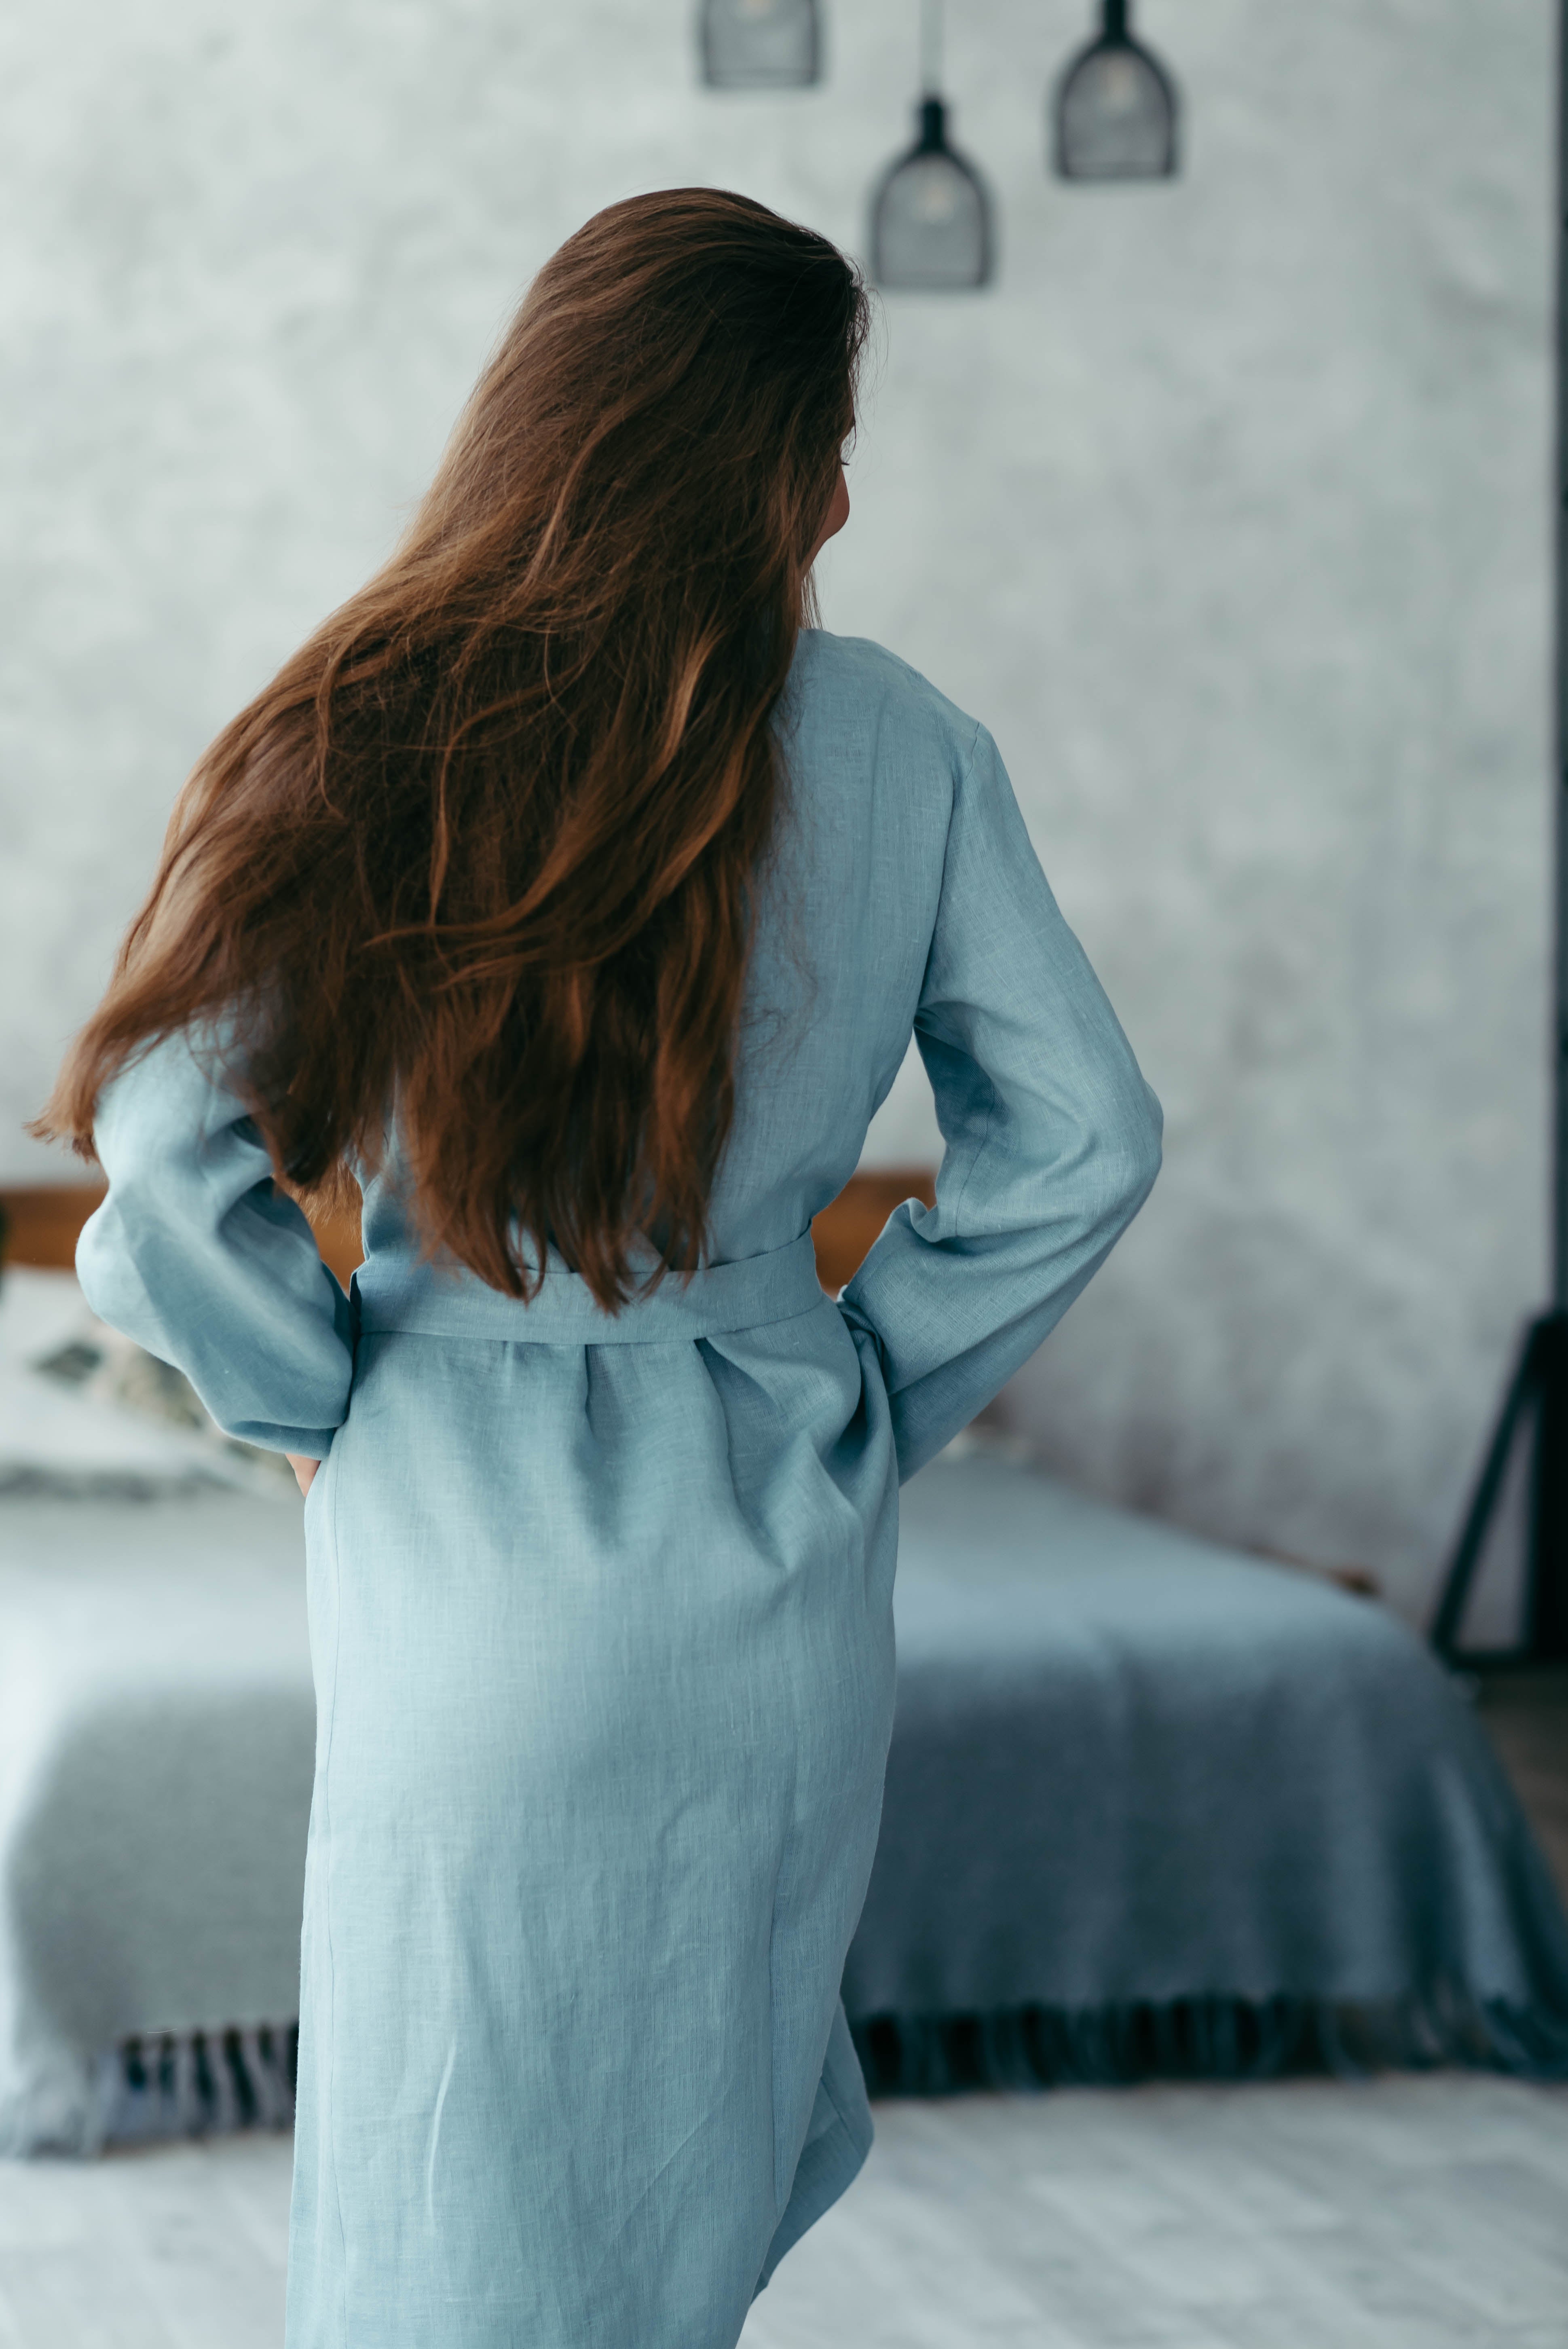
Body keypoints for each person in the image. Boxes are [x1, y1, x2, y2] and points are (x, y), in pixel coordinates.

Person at [39, 189, 1160, 2349]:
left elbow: (169, 1141)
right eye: (832, 428)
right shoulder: (903, 743)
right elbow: (1087, 1140)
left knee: (438, 2215)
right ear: (769, 465)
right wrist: (865, 1385)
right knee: (669, 2223)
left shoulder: (371, 717)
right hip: (773, 1563)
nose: (852, 482)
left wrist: (301, 1397)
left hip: (459, 1568)